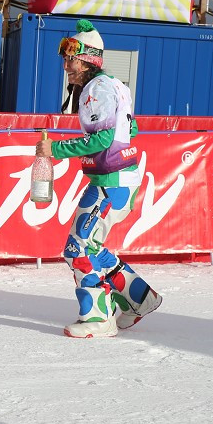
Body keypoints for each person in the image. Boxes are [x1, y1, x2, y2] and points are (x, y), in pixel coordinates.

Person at [34, 19, 162, 338]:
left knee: (78, 248)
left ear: (88, 59)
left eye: (70, 59)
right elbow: (130, 129)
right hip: (115, 180)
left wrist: (55, 149)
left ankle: (97, 317)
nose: (66, 66)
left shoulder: (96, 88)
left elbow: (104, 139)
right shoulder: (114, 84)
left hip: (111, 182)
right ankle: (139, 298)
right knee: (90, 244)